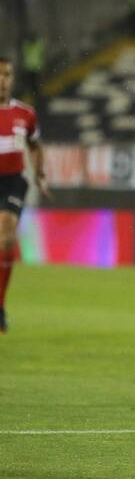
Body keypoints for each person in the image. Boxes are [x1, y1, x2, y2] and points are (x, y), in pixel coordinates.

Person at [0, 57, 49, 333]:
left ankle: (0, 306)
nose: (2, 80)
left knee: (6, 237)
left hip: (11, 183)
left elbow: (35, 145)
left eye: (7, 75)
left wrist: (40, 174)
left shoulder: (25, 114)